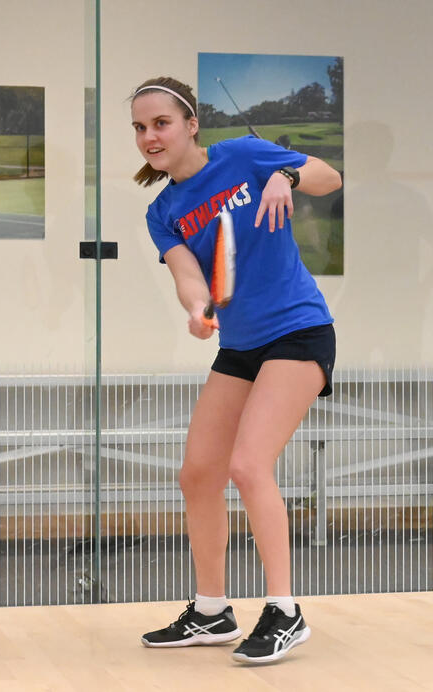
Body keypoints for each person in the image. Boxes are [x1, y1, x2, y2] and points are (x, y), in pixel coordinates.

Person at [130, 76, 342, 665]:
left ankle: (284, 610)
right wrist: (197, 311)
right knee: (199, 473)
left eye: (161, 123)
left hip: (299, 333)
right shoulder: (163, 211)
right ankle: (211, 609)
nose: (150, 136)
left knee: (249, 466)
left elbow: (330, 177)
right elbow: (187, 276)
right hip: (241, 347)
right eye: (141, 128)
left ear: (191, 124)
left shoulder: (246, 156)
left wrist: (288, 175)